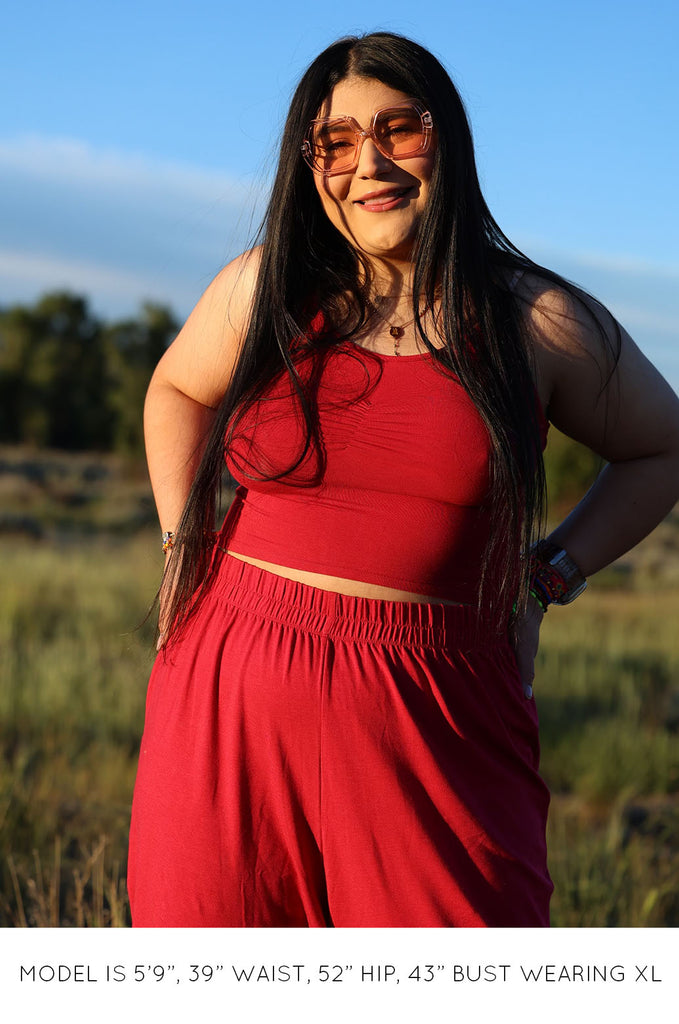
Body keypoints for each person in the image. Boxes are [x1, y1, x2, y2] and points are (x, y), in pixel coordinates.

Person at [127, 31, 679, 928]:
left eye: (399, 128)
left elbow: (662, 448)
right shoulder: (268, 286)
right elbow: (178, 388)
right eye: (335, 142)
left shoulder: (536, 321)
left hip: (433, 711)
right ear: (308, 165)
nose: (368, 163)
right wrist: (180, 542)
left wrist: (547, 580)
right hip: (226, 688)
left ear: (447, 138)